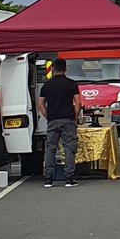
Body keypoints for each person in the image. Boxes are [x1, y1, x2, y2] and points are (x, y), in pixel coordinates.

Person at [38, 58, 81, 188]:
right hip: (67, 119)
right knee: (69, 148)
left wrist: (48, 116)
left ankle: (48, 179)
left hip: (53, 120)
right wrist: (75, 117)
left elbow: (40, 103)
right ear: (65, 68)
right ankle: (69, 178)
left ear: (53, 69)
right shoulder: (72, 84)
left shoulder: (47, 85)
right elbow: (78, 102)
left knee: (50, 149)